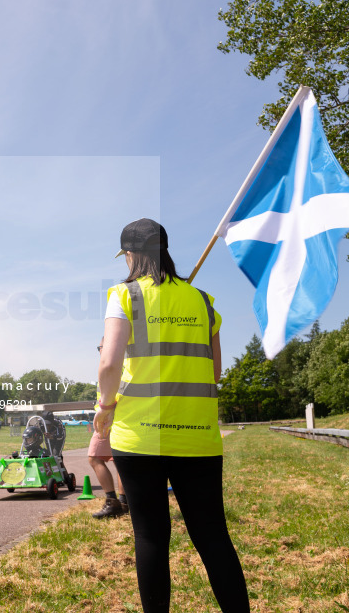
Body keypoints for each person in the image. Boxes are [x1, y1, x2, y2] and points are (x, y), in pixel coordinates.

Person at [93, 218, 249, 612]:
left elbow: (109, 364)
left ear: (130, 255)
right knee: (214, 537)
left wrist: (105, 408)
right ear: (164, 252)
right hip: (197, 436)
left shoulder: (124, 295)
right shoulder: (202, 301)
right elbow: (213, 372)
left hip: (139, 436)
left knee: (150, 537)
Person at [90, 338, 128, 519]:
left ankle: (112, 501)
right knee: (119, 460)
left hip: (109, 420)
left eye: (101, 347)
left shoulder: (112, 365)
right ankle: (124, 503)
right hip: (121, 419)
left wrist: (105, 411)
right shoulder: (124, 364)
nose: (99, 351)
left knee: (95, 457)